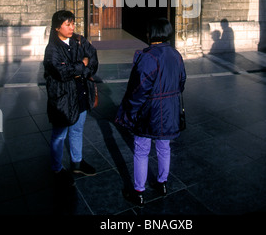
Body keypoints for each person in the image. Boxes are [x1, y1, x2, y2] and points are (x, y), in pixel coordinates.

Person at [115, 17, 186, 206]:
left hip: (149, 112)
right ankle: (162, 183)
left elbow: (139, 90)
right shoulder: (176, 54)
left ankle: (139, 191)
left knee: (141, 149)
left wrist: (129, 110)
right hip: (170, 110)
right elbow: (181, 82)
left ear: (152, 33)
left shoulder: (149, 57)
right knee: (164, 147)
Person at [44, 10, 99, 187]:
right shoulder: (52, 49)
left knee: (77, 129)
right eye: (67, 24)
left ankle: (77, 162)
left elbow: (93, 58)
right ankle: (57, 168)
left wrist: (82, 69)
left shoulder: (79, 40)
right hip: (62, 99)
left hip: (80, 93)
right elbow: (62, 72)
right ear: (57, 27)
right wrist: (81, 64)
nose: (72, 27)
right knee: (59, 135)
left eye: (73, 23)